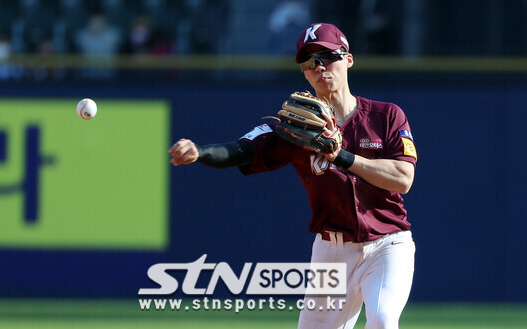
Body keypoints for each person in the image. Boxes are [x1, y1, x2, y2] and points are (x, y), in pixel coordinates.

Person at [168, 23, 418, 329]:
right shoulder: (295, 130)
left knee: (381, 321)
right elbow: (242, 150)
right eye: (309, 62)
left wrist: (341, 156)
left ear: (348, 59)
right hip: (332, 252)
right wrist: (201, 152)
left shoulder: (386, 116)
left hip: (387, 246)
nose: (320, 67)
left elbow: (403, 178)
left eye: (327, 56)